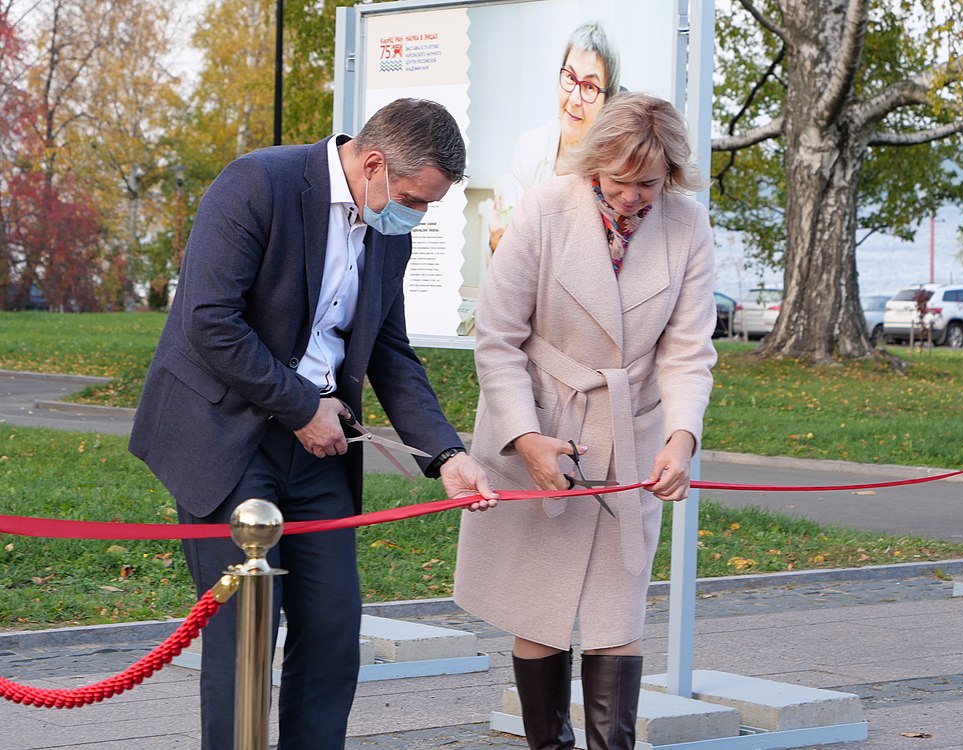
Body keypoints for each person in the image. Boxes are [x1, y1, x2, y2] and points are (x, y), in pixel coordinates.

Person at [129, 98, 497, 750]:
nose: (420, 214)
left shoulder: (393, 233)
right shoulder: (256, 184)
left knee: (331, 631)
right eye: (415, 198)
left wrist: (447, 455)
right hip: (228, 438)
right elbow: (209, 320)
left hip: (324, 448)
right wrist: (301, 406)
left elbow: (389, 351)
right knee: (245, 635)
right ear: (374, 163)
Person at [455, 92, 717, 749]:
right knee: (537, 609)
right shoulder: (546, 208)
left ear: (672, 176)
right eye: (621, 182)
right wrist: (524, 440)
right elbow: (497, 337)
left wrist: (682, 439)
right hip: (543, 422)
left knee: (616, 612)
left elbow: (689, 353)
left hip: (632, 438)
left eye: (649, 185)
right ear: (596, 163)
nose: (632, 198)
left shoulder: (689, 226)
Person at [488, 20, 621, 251]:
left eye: (589, 87)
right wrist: (497, 241)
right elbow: (506, 244)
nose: (574, 99)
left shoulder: (617, 167)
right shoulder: (530, 148)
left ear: (608, 99)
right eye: (570, 78)